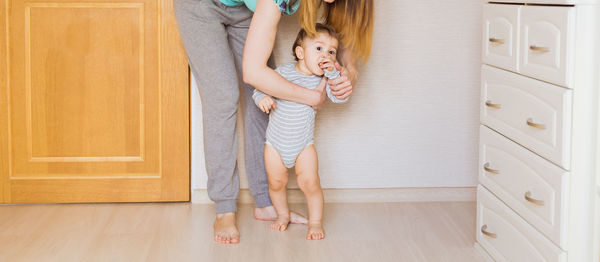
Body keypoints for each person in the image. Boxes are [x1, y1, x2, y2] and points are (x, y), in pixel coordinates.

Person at [174, 0, 373, 244]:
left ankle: (265, 202)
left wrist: (349, 71)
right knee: (223, 97)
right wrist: (311, 97)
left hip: (247, 8)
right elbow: (254, 73)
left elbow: (341, 31)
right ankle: (225, 208)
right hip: (200, 6)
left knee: (263, 100)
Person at [253, 23, 345, 240]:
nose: (326, 55)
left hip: (303, 145)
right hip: (275, 144)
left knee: (311, 183)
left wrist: (334, 75)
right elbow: (259, 87)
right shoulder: (282, 72)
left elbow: (341, 96)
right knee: (276, 183)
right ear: (300, 52)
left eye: (332, 52)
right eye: (319, 49)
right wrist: (262, 98)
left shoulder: (324, 80)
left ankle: (315, 222)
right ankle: (283, 215)